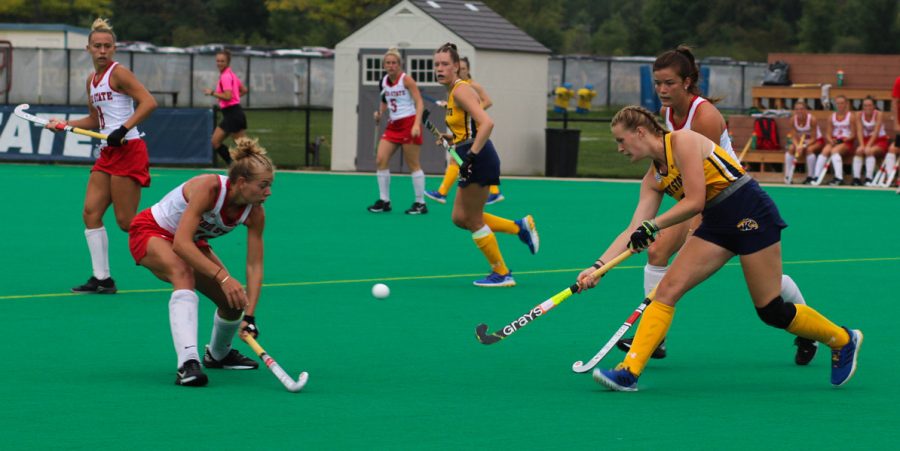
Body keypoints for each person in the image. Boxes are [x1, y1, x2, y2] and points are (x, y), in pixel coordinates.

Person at [578, 106, 862, 391]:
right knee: (666, 291)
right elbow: (631, 230)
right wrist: (598, 267)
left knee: (771, 310)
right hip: (716, 225)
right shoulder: (653, 178)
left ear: (640, 132)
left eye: (621, 140)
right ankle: (629, 372)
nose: (619, 149)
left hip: (749, 211)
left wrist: (653, 226)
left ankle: (842, 339)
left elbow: (694, 202)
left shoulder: (683, 141)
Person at [615, 46, 816, 365]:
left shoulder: (705, 115)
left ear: (688, 81)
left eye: (669, 83)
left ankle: (808, 331)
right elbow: (669, 166)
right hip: (698, 196)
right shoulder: (668, 113)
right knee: (657, 252)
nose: (662, 90)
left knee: (769, 288)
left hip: (729, 197)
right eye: (658, 83)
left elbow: (700, 182)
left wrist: (694, 231)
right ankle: (655, 338)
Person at [128, 137, 270, 386]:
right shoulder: (210, 188)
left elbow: (254, 266)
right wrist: (223, 277)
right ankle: (187, 363)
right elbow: (180, 244)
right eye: (263, 185)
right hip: (151, 231)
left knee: (234, 302)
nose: (268, 192)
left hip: (191, 241)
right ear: (240, 183)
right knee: (183, 273)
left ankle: (218, 354)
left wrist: (250, 316)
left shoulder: (255, 212)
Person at [46, 18, 157, 294]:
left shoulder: (120, 74)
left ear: (114, 48)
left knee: (126, 222)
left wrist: (123, 129)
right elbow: (96, 119)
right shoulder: (92, 81)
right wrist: (65, 124)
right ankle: (102, 279)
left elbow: (149, 102)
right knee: (91, 213)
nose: (103, 51)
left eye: (107, 46)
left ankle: (178, 244)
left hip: (128, 149)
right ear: (88, 49)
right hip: (107, 152)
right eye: (97, 46)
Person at [433, 43, 539, 287]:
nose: (439, 68)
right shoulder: (452, 92)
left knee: (472, 219)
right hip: (469, 153)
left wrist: (470, 155)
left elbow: (487, 123)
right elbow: (470, 127)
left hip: (478, 158)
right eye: (436, 64)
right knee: (460, 217)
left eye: (445, 64)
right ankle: (519, 227)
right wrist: (452, 138)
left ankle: (502, 273)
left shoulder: (461, 90)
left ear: (457, 66)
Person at [425, 56, 504, 206]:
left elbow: (488, 102)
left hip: (474, 133)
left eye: (463, 69)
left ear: (467, 70)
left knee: (468, 216)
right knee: (463, 216)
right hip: (463, 137)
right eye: (437, 65)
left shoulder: (470, 86)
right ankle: (494, 192)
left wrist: (472, 110)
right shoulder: (454, 88)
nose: (460, 71)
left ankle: (442, 192)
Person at [367, 48, 428, 215]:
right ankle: (384, 201)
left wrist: (416, 124)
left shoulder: (406, 80)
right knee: (380, 159)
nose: (391, 65)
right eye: (388, 63)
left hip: (409, 123)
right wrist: (379, 113)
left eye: (394, 63)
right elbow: (385, 100)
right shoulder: (384, 81)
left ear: (399, 64)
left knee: (413, 163)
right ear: (384, 65)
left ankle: (420, 203)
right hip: (393, 125)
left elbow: (420, 103)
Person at [205, 49, 249, 166]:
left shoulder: (226, 76)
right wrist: (236, 97)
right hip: (229, 114)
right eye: (218, 61)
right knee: (215, 141)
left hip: (233, 114)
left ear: (228, 62)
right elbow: (244, 90)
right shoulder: (230, 75)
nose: (219, 63)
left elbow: (228, 96)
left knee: (245, 148)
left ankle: (255, 168)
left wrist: (212, 93)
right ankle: (234, 165)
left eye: (222, 61)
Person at [814, 95, 856, 185]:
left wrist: (843, 140)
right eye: (838, 103)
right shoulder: (831, 117)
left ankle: (839, 178)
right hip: (835, 140)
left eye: (842, 103)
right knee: (825, 150)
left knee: (834, 151)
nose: (840, 105)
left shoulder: (851, 116)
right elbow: (828, 133)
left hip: (846, 142)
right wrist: (831, 140)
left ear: (846, 104)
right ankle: (816, 176)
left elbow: (853, 134)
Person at [784, 100, 825, 185]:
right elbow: (794, 137)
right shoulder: (792, 120)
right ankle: (788, 176)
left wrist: (803, 146)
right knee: (791, 148)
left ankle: (810, 176)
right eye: (797, 109)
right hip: (800, 142)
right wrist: (797, 146)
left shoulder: (812, 119)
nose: (799, 111)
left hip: (816, 141)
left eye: (802, 109)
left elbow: (814, 138)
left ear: (806, 110)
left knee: (809, 150)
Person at [852, 96, 889, 185]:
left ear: (874, 106)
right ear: (862, 107)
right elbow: (859, 131)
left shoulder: (878, 114)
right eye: (865, 105)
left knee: (869, 151)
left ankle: (869, 178)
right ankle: (856, 179)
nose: (867, 107)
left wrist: (868, 146)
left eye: (870, 105)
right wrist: (861, 145)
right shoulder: (858, 114)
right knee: (858, 151)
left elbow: (876, 132)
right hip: (865, 139)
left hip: (879, 139)